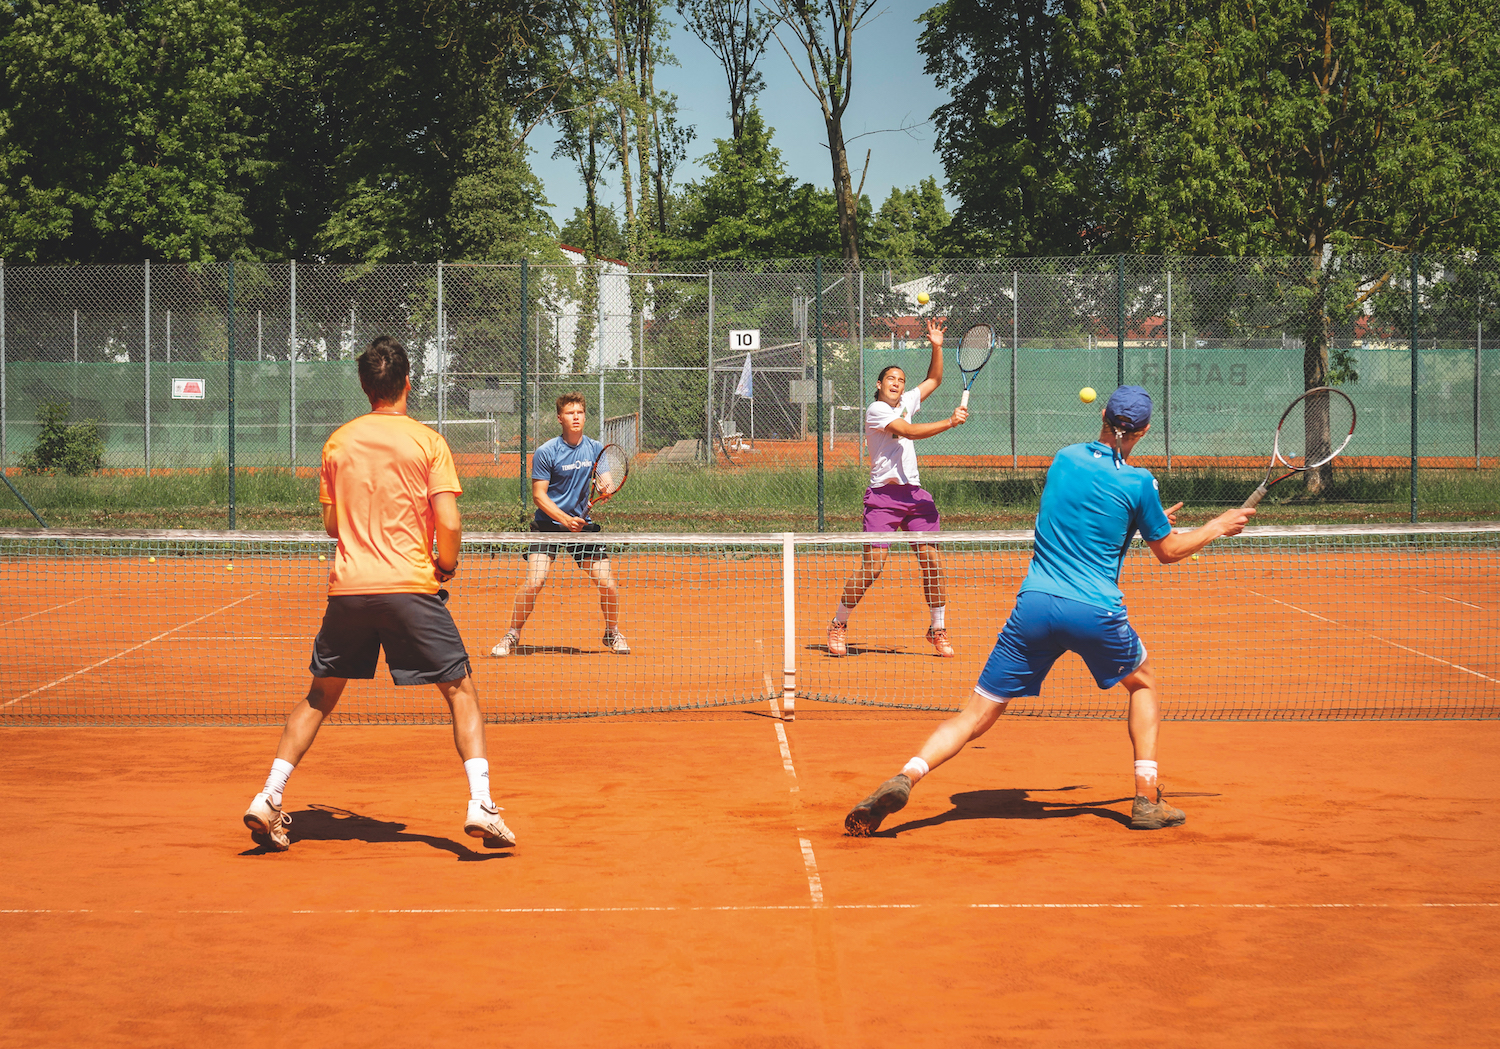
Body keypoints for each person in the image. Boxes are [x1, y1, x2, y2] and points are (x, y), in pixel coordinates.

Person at [843, 385, 1254, 836]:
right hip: (1094, 610)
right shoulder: (1139, 484)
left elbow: (1085, 516)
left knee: (977, 712)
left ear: (1102, 415)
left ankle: (907, 775)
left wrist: (1142, 519)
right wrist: (1217, 525)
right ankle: (1145, 797)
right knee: (1142, 683)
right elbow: (1169, 551)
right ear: (1145, 431)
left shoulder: (1063, 459)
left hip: (1035, 607)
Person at [242, 336, 514, 852]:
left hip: (349, 590)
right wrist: (446, 565)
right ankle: (481, 802)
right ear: (408, 383)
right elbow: (449, 522)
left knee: (320, 695)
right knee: (461, 693)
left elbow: (331, 525)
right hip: (411, 585)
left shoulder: (337, 443)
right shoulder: (429, 443)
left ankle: (270, 795)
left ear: (366, 387)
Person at [827, 318, 968, 659]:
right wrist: (950, 422)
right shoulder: (877, 409)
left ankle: (937, 629)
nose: (897, 383)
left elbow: (934, 379)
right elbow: (908, 431)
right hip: (883, 498)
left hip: (916, 496)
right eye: (891, 378)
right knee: (873, 566)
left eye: (901, 380)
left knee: (932, 562)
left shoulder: (906, 401)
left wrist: (937, 345)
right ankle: (838, 624)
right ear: (879, 384)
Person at [491, 392, 629, 657]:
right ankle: (512, 634)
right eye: (570, 412)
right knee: (535, 581)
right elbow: (538, 496)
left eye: (579, 412)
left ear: (585, 416)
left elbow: (605, 480)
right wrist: (564, 520)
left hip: (582, 527)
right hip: (547, 526)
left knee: (608, 584)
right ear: (559, 418)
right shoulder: (546, 452)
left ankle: (612, 632)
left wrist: (605, 487)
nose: (575, 417)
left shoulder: (595, 449)